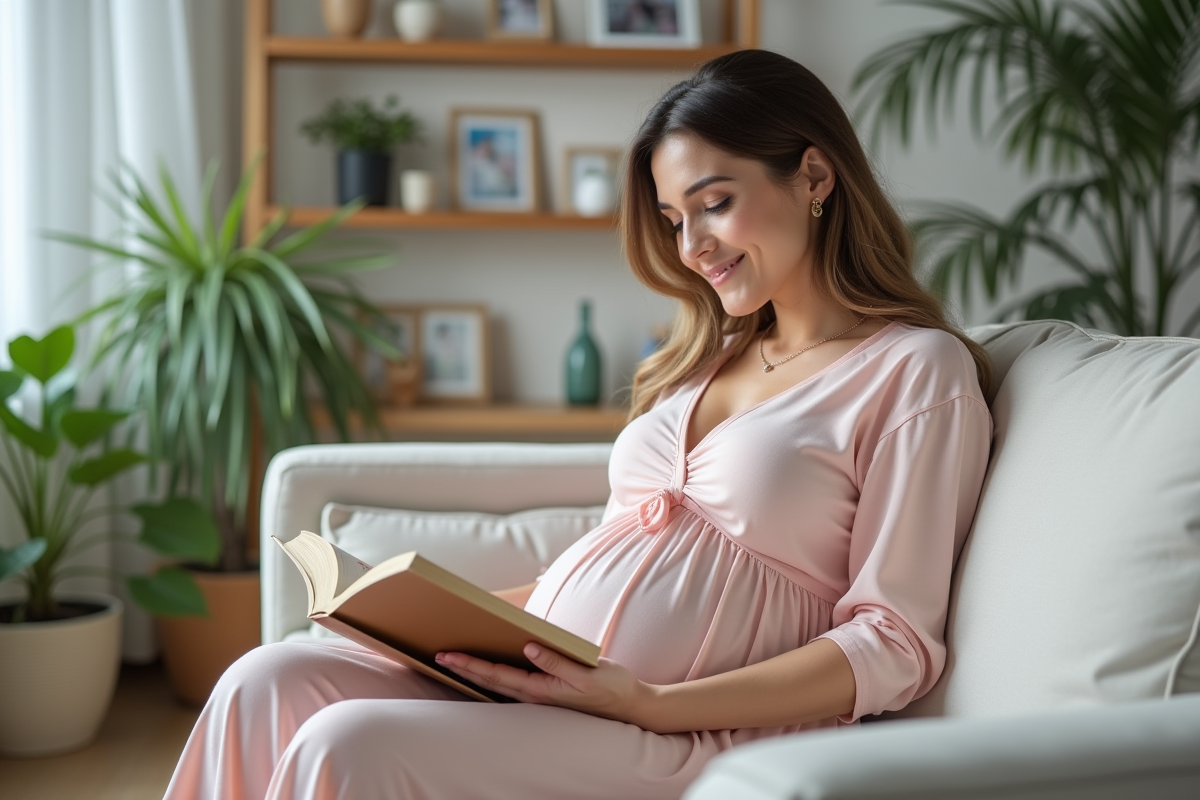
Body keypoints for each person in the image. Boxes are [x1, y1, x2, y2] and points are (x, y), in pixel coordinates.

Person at [162, 49, 992, 800]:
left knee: (349, 742)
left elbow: (893, 643)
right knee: (263, 679)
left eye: (715, 204)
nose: (693, 245)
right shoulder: (706, 361)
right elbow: (616, 568)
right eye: (674, 220)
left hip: (694, 734)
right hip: (563, 683)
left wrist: (654, 703)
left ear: (814, 176)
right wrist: (425, 622)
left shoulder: (915, 371)